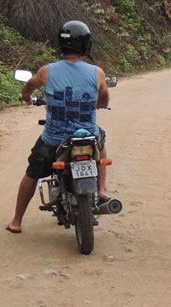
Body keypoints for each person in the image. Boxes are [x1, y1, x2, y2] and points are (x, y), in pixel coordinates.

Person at [5, 20, 110, 234]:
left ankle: (16, 221)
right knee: (101, 137)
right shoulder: (97, 72)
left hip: (54, 140)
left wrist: (25, 97)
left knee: (32, 173)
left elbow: (28, 87)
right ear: (85, 45)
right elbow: (105, 97)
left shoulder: (47, 71)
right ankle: (102, 188)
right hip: (87, 138)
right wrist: (101, 104)